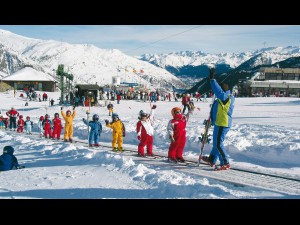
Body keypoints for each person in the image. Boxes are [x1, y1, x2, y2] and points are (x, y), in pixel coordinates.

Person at [201, 68, 235, 171]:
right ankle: (212, 159)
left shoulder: (227, 97)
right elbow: (215, 110)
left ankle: (225, 162)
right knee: (216, 143)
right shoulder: (221, 98)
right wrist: (211, 119)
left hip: (223, 123)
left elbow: (219, 92)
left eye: (222, 85)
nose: (221, 86)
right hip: (218, 122)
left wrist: (212, 80)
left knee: (218, 144)